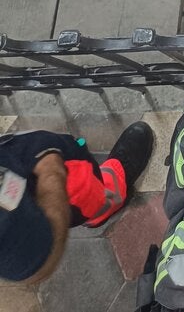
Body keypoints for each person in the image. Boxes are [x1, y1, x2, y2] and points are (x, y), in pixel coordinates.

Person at [0, 121, 153, 285]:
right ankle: (106, 199)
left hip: (20, 158)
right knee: (84, 190)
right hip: (42, 177)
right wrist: (51, 173)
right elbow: (32, 265)